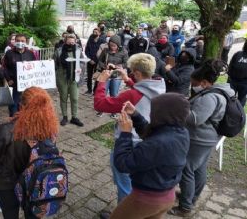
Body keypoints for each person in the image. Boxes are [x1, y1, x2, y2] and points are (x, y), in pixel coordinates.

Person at [94, 53, 166, 204]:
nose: (131, 74)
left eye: (133, 72)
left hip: (129, 143)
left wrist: (101, 82)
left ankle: (124, 213)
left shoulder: (131, 95)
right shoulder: (159, 85)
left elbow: (100, 104)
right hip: (148, 139)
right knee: (135, 183)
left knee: (125, 185)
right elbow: (144, 91)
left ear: (138, 73)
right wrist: (128, 80)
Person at [109, 93, 190, 219]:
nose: (152, 113)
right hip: (167, 196)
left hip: (146, 199)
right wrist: (136, 115)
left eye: (154, 111)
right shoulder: (181, 132)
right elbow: (153, 135)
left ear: (163, 115)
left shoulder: (158, 144)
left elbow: (123, 164)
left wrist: (125, 134)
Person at [169, 60, 234, 217]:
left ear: (204, 83)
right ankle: (191, 197)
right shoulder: (221, 91)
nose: (193, 86)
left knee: (187, 170)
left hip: (199, 139)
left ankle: (185, 206)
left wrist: (179, 105)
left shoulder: (210, 97)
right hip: (208, 138)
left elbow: (195, 119)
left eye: (194, 83)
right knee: (199, 169)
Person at [0, 86, 59, 219]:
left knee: (10, 215)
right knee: (33, 215)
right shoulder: (50, 130)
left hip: (8, 185)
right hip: (35, 183)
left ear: (21, 106)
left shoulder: (5, 130)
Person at [1, 34, 36, 117]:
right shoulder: (9, 53)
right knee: (13, 106)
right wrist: (8, 79)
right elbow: (4, 67)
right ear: (14, 42)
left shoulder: (30, 53)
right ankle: (13, 125)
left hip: (27, 85)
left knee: (26, 105)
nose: (20, 42)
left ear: (26, 42)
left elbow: (36, 66)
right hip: (14, 84)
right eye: (18, 41)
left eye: (22, 41)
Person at [54, 34, 85, 127]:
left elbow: (83, 62)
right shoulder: (59, 51)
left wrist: (80, 68)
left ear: (75, 42)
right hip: (62, 77)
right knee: (63, 97)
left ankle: (74, 117)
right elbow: (54, 63)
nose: (71, 44)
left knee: (74, 98)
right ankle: (65, 116)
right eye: (69, 42)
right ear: (65, 41)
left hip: (74, 77)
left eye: (72, 42)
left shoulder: (78, 51)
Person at [97, 35, 129, 107]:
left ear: (118, 45)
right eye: (111, 45)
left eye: (114, 46)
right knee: (103, 92)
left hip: (117, 75)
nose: (112, 47)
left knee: (114, 93)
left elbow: (126, 63)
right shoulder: (105, 51)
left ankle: (113, 110)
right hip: (106, 74)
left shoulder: (124, 52)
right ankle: (102, 107)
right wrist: (106, 66)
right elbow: (99, 61)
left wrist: (117, 66)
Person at [85, 28, 106, 94]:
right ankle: (89, 90)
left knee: (97, 76)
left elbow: (103, 52)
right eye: (94, 32)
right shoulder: (90, 40)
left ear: (99, 33)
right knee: (89, 76)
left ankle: (95, 90)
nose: (95, 33)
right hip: (90, 61)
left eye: (96, 32)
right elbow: (86, 50)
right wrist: (89, 59)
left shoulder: (102, 41)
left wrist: (97, 60)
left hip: (98, 62)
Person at [228, 40, 247, 106]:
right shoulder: (238, 54)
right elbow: (230, 66)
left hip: (244, 83)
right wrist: (229, 78)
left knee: (241, 100)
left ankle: (239, 114)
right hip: (233, 81)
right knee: (229, 97)